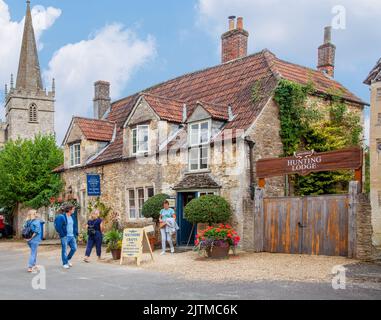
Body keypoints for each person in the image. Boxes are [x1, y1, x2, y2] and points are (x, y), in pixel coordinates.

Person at [54, 204, 78, 269]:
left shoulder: (72, 216)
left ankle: (67, 259)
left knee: (74, 248)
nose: (74, 210)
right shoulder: (62, 217)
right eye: (73, 209)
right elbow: (58, 227)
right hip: (65, 236)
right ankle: (65, 263)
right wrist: (62, 234)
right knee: (64, 250)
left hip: (72, 236)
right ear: (69, 210)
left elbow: (74, 225)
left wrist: (76, 233)